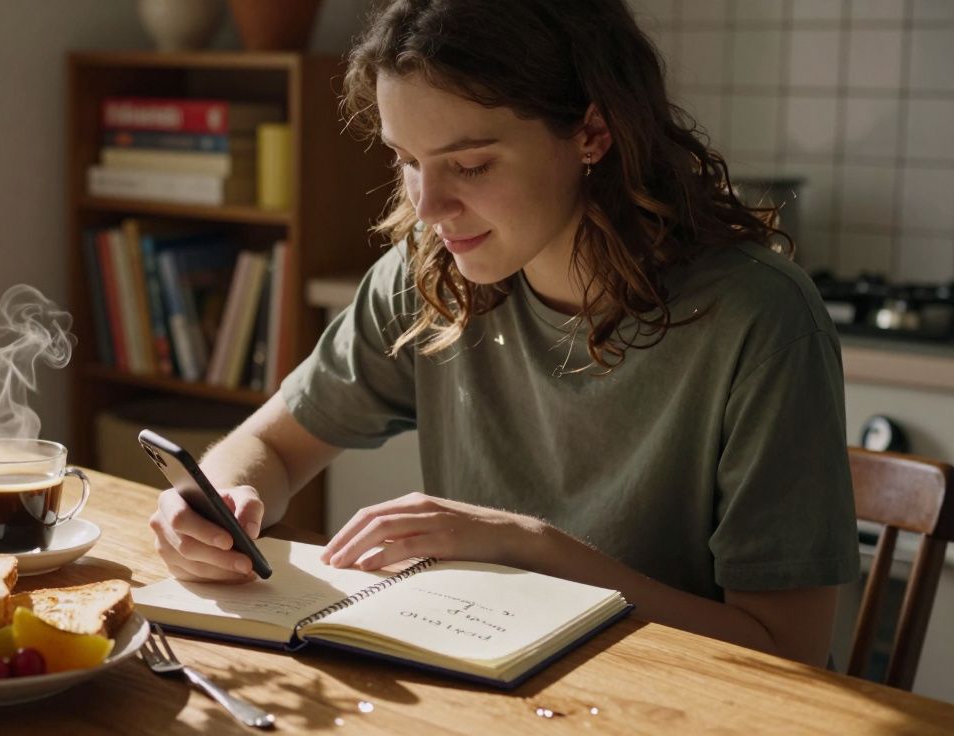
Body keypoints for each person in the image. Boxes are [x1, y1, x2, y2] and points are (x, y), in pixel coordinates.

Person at [148, 0, 859, 668]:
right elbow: (271, 445)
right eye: (407, 160)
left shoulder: (761, 319)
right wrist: (219, 504)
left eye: (470, 164)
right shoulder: (428, 276)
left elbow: (787, 651)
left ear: (592, 132)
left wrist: (527, 546)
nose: (428, 206)